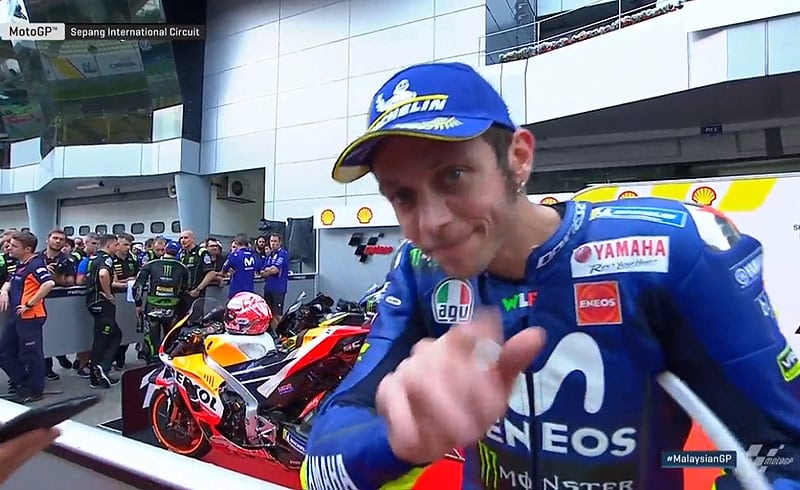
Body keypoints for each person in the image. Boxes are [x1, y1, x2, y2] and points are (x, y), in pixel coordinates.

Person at [302, 62, 800, 489]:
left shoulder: (671, 252)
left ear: (518, 157)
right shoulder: (419, 272)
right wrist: (396, 443)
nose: (430, 223)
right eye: (402, 196)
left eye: (453, 175)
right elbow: (321, 462)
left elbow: (783, 451)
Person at [0, 231, 55, 403]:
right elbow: (11, 280)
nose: (9, 248)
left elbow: (48, 283)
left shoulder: (35, 264)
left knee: (32, 355)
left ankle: (35, 390)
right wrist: (4, 291)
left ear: (27, 249)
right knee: (4, 351)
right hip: (17, 316)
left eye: (14, 246)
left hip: (31, 316)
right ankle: (23, 382)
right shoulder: (21, 264)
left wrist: (30, 304)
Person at [132, 240, 189, 363]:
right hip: (172, 309)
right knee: (171, 336)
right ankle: (168, 360)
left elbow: (137, 286)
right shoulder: (182, 267)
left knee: (151, 337)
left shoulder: (150, 265)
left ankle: (153, 361)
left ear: (165, 250)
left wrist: (138, 304)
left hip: (152, 307)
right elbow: (185, 288)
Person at [84, 234, 121, 389]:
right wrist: (108, 293)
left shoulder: (93, 258)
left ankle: (100, 371)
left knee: (113, 334)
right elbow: (103, 274)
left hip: (93, 301)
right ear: (109, 245)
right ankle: (99, 371)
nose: (117, 248)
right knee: (104, 338)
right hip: (101, 302)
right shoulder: (106, 258)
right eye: (116, 244)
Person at [261, 232, 289, 321]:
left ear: (280, 242)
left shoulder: (282, 254)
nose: (272, 243)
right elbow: (263, 271)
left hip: (278, 289)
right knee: (269, 314)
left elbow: (275, 270)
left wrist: (269, 270)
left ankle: (282, 329)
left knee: (277, 314)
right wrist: (268, 270)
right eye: (271, 241)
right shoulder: (270, 255)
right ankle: (275, 330)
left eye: (275, 241)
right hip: (268, 288)